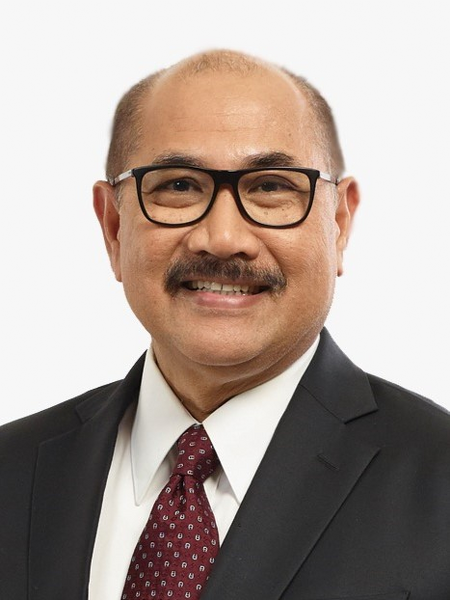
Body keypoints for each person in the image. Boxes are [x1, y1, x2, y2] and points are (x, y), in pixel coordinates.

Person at [1, 49, 450, 600]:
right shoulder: (11, 471)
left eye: (272, 186)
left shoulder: (439, 485)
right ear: (114, 227)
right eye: (178, 186)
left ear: (339, 222)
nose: (222, 238)